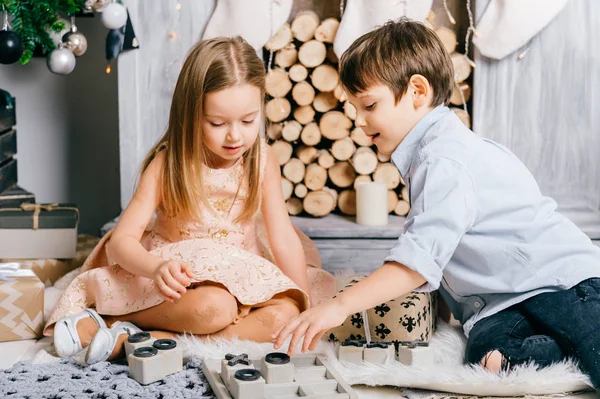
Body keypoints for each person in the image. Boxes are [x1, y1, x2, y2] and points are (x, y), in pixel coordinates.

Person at [273, 18, 600, 388]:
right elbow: (444, 251)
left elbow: (417, 263)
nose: (359, 122)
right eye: (354, 109)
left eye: (368, 105)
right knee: (489, 359)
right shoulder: (426, 159)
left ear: (417, 91)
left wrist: (337, 306)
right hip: (500, 303)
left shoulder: (445, 160)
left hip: (562, 284)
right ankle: (566, 351)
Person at [45, 36, 336, 365]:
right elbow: (120, 242)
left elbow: (282, 237)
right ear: (190, 113)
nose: (235, 136)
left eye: (248, 120)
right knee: (214, 308)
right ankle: (115, 322)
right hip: (182, 284)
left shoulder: (262, 160)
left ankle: (154, 342)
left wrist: (303, 307)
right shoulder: (167, 165)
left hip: (243, 273)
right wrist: (155, 268)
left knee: (284, 315)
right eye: (217, 123)